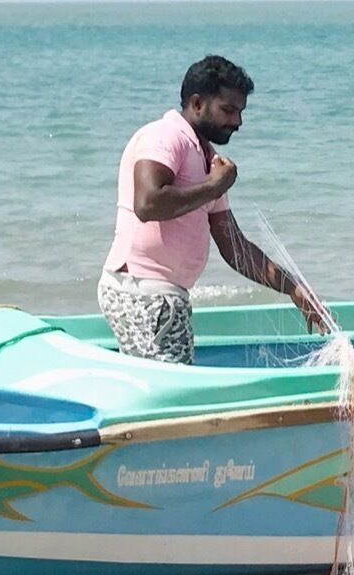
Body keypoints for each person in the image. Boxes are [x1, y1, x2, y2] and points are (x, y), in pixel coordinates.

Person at [99, 55, 326, 364]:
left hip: (164, 296)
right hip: (144, 291)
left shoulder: (206, 158)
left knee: (173, 388)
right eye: (228, 110)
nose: (237, 122)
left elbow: (234, 246)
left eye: (241, 112)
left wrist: (293, 289)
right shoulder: (165, 136)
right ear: (196, 104)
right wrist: (216, 186)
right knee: (175, 395)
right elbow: (148, 203)